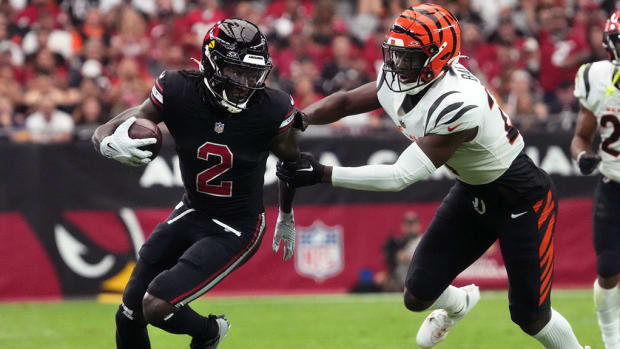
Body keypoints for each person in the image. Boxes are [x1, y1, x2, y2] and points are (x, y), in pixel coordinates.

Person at [277, 4, 589, 349]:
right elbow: (347, 102)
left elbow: (399, 176)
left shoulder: (458, 103)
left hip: (521, 200)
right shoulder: (407, 78)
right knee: (417, 293)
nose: (396, 65)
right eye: (395, 54)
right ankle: (458, 305)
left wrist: (322, 173)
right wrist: (299, 118)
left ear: (438, 58)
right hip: (474, 193)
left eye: (408, 57)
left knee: (530, 316)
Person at [92, 19, 300, 349]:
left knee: (156, 306)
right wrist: (102, 137)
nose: (245, 84)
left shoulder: (272, 108)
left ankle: (209, 332)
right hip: (193, 209)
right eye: (236, 72)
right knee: (128, 314)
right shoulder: (178, 88)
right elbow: (137, 115)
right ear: (212, 64)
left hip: (236, 226)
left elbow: (291, 160)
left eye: (251, 74)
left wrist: (286, 214)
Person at [571, 10, 620, 349]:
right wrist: (581, 156)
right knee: (607, 270)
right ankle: (611, 341)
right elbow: (580, 137)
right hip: (612, 187)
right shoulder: (596, 78)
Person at [382, 211, 422, 292]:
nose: (410, 227)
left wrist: (410, 259)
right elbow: (388, 259)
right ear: (403, 226)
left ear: (418, 225)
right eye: (407, 224)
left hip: (416, 283)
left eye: (412, 224)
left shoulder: (423, 241)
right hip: (398, 283)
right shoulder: (398, 242)